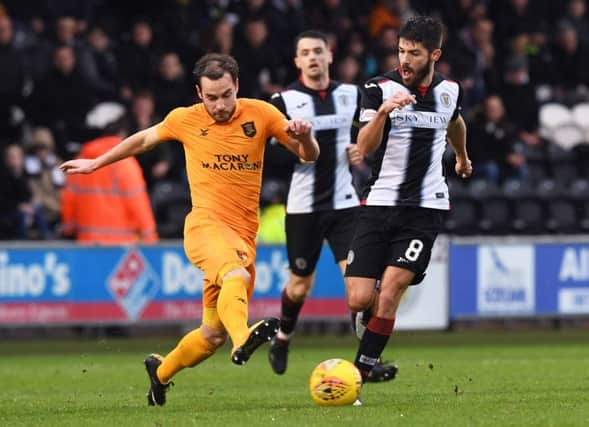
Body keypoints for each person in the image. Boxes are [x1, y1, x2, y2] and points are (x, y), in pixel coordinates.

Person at [59, 53, 320, 406]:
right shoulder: (184, 120)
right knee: (236, 276)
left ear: (237, 86)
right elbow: (142, 140)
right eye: (211, 97)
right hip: (204, 227)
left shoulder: (262, 114)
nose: (220, 105)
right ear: (199, 92)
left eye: (226, 95)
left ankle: (161, 373)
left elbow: (309, 156)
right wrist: (96, 164)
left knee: (212, 336)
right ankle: (244, 338)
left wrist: (305, 137)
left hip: (242, 233)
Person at [344, 16, 472, 404]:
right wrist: (384, 111)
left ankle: (358, 376)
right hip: (379, 202)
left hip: (424, 208)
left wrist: (463, 157)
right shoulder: (376, 87)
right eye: (401, 51)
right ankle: (369, 314)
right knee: (358, 299)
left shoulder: (450, 89)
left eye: (414, 53)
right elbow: (363, 148)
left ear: (434, 54)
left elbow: (455, 122)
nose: (405, 59)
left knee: (391, 293)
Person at [266, 30, 397, 382]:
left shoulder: (351, 95)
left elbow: (373, 132)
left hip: (345, 206)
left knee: (362, 286)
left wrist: (362, 148)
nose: (312, 57)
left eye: (317, 51)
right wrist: (294, 147)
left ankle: (366, 362)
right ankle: (283, 337)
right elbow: (269, 155)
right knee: (299, 287)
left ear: (330, 55)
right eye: (305, 52)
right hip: (303, 208)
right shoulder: (283, 101)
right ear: (297, 61)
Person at [61, 102, 158, 244]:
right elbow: (138, 204)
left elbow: (69, 200)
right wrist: (151, 238)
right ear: (121, 130)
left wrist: (69, 229)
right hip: (120, 249)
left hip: (87, 245)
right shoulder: (125, 163)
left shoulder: (80, 161)